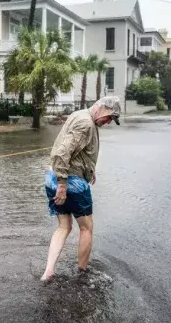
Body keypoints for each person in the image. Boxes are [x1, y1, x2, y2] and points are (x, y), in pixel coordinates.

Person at [40, 96, 121, 282]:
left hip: (52, 177)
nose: (108, 122)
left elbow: (79, 150)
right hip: (70, 182)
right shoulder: (86, 124)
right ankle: (83, 273)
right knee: (87, 228)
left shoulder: (80, 114)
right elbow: (63, 153)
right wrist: (63, 185)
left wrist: (89, 170)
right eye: (109, 117)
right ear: (100, 108)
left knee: (64, 227)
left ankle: (48, 272)